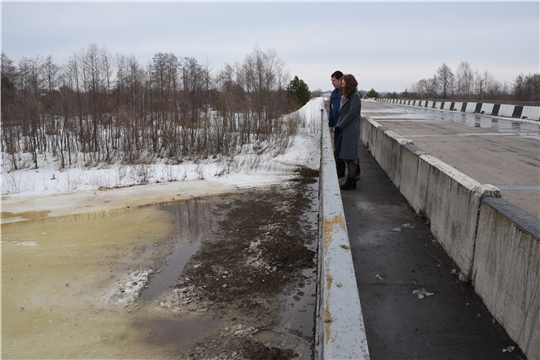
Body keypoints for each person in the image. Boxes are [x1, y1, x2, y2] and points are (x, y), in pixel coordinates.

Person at [335, 74, 361, 190]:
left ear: (349, 84)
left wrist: (340, 126)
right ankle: (351, 181)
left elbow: (351, 114)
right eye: (342, 83)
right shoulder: (347, 96)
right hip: (346, 129)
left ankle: (351, 181)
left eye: (344, 83)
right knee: (347, 156)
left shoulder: (355, 96)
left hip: (351, 130)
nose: (342, 85)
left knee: (352, 156)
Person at [328, 71, 346, 177]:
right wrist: (331, 124)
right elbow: (332, 109)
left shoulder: (346, 93)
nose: (332, 83)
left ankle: (355, 172)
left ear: (340, 80)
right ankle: (340, 171)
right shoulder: (334, 94)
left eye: (334, 81)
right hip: (337, 127)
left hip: (346, 126)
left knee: (349, 150)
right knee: (337, 149)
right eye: (331, 81)